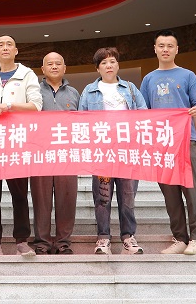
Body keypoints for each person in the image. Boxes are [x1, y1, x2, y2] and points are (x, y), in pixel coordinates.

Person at [140, 29, 196, 256]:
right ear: (155, 49)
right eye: (161, 45)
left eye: (170, 46)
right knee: (170, 194)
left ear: (177, 49)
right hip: (161, 144)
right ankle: (179, 238)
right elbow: (143, 112)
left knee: (192, 191)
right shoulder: (148, 79)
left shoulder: (188, 75)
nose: (165, 49)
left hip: (185, 139)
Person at [0, 35, 42, 256]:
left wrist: (10, 106)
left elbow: (36, 106)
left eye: (9, 44)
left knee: (19, 193)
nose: (5, 48)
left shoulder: (27, 74)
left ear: (16, 51)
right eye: (1, 45)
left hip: (17, 141)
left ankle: (22, 240)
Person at [80, 47, 147, 256]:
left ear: (118, 65)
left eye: (112, 61)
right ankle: (103, 238)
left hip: (127, 152)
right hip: (102, 153)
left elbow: (144, 114)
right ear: (97, 68)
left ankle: (128, 237)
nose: (109, 65)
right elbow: (81, 120)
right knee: (103, 197)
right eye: (104, 63)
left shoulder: (130, 88)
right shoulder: (89, 91)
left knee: (128, 197)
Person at [30, 51, 81, 255]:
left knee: (67, 200)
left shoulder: (74, 93)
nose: (54, 67)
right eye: (49, 64)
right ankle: (42, 243)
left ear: (64, 68)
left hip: (67, 155)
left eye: (58, 63)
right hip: (40, 155)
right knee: (41, 201)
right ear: (42, 69)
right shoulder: (34, 92)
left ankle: (63, 243)